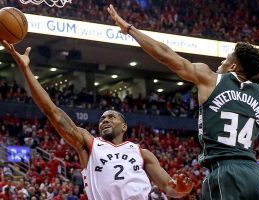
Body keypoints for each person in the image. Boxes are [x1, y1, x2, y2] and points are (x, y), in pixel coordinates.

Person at [107, 4, 259, 200]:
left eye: (224, 61)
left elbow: (166, 54)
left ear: (233, 66)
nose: (220, 64)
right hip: (257, 175)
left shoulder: (210, 79)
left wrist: (130, 29)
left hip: (225, 172)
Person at [1, 40, 193, 200]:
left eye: (111, 117)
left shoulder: (142, 153)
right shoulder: (88, 143)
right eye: (102, 118)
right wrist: (26, 70)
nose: (105, 120)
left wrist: (181, 189)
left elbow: (170, 188)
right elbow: (53, 112)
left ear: (124, 126)